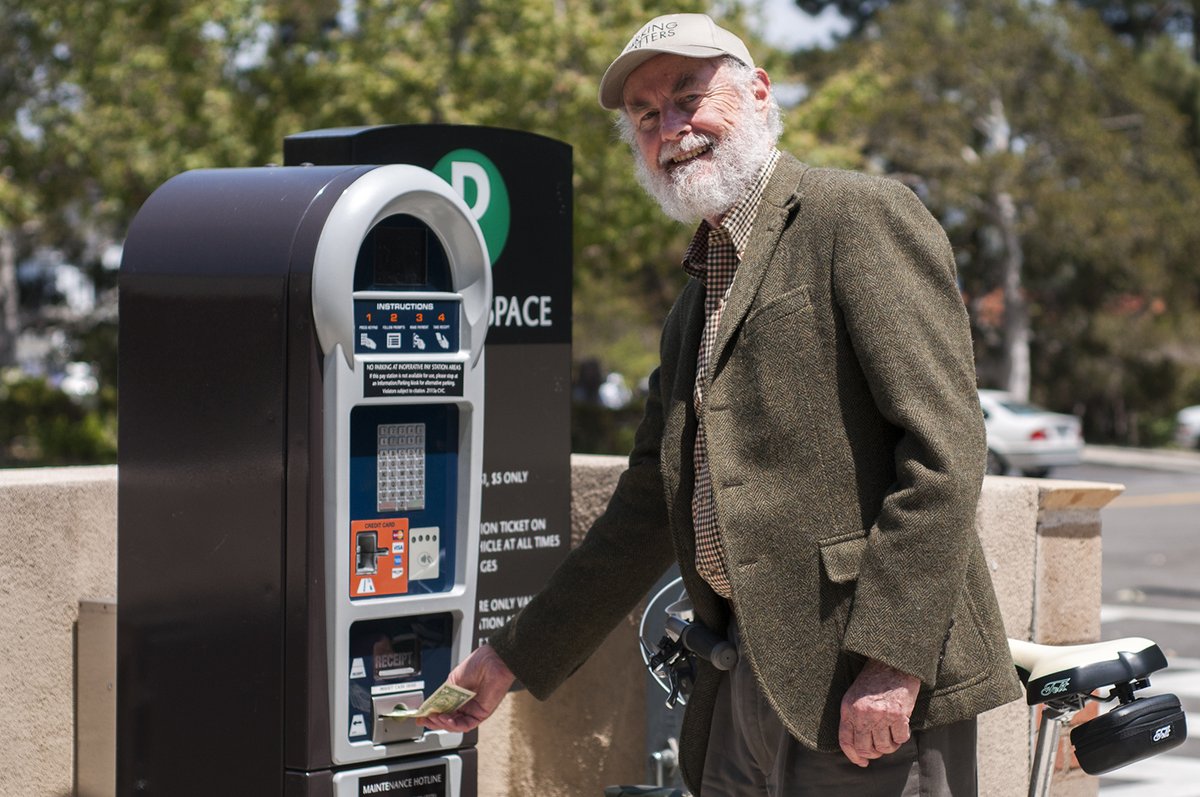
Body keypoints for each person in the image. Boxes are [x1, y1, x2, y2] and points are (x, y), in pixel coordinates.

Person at [421, 12, 1023, 795]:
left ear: (759, 93)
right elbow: (643, 508)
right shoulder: (693, 301)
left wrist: (892, 662)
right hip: (738, 676)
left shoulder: (856, 217)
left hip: (864, 683)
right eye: (646, 115)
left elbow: (945, 454)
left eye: (688, 96)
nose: (671, 126)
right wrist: (509, 657)